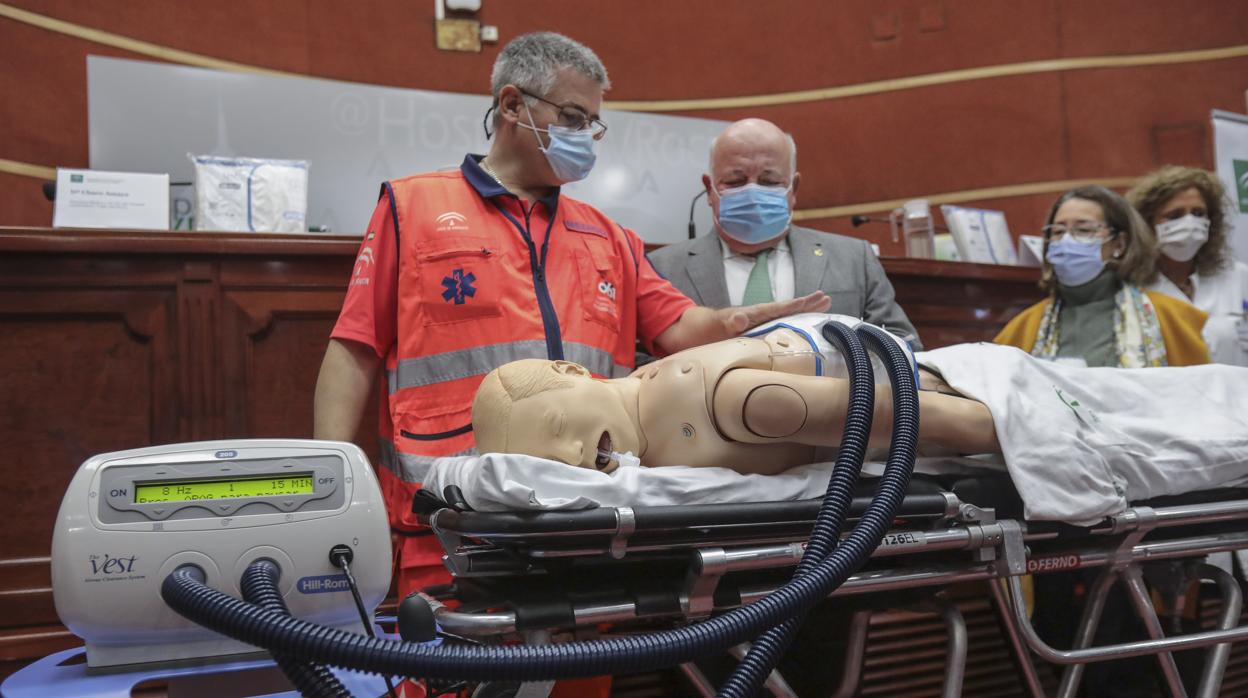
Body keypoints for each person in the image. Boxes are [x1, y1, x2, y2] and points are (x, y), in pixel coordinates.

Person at [312, 32, 830, 600]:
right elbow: (353, 350)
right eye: (573, 117)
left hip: (587, 519)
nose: (586, 137)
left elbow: (677, 328)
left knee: (581, 678)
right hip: (447, 521)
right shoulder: (413, 209)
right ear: (512, 105)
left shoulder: (607, 236)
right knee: (451, 685)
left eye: (592, 124)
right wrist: (335, 496)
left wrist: (731, 324)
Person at [647, 118, 921, 348]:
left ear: (794, 189)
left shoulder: (853, 259)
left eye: (769, 181)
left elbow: (903, 345)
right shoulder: (663, 268)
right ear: (709, 189)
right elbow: (638, 361)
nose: (753, 192)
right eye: (735, 181)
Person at [995, 184, 1209, 367]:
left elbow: (1198, 400)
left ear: (1119, 244)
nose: (1067, 241)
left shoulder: (1172, 318)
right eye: (1058, 232)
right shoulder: (1022, 327)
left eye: (1084, 230)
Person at [1129, 165, 1248, 366]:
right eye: (1175, 215)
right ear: (1146, 224)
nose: (1190, 222)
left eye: (1199, 213)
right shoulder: (1131, 286)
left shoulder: (1237, 276)